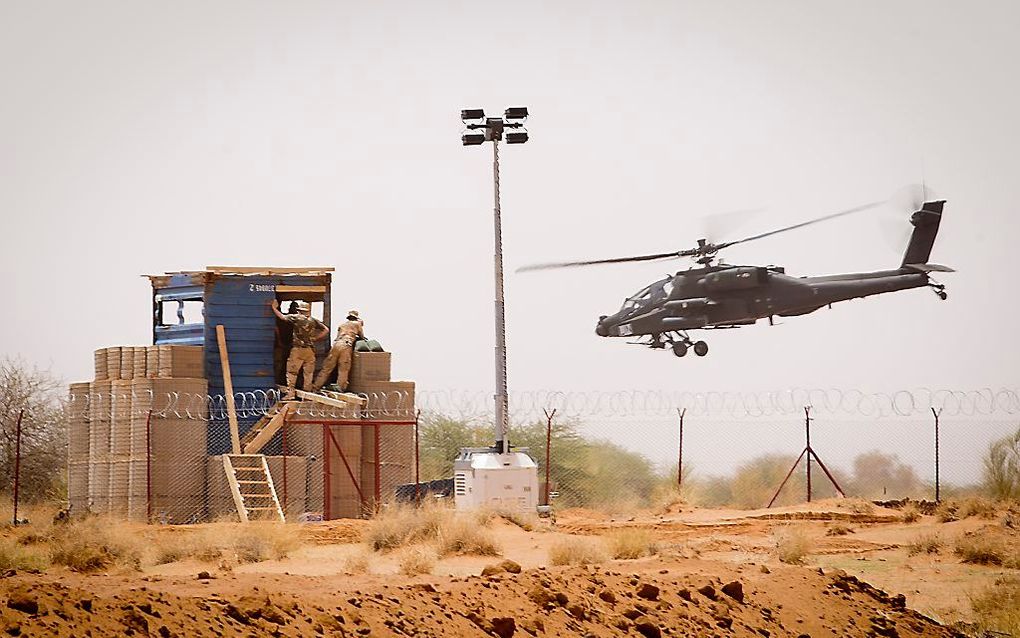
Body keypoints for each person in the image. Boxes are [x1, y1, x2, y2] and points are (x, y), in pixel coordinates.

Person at [269, 300, 329, 400]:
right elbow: (326, 329)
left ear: (299, 310)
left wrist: (274, 308)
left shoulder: (297, 318)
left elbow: (283, 317)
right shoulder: (313, 320)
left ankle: (290, 393)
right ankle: (307, 395)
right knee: (308, 373)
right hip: (310, 350)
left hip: (298, 349)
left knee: (292, 372)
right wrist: (315, 338)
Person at [313, 309, 365, 392]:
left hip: (336, 344)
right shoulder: (357, 324)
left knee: (327, 368)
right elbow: (362, 336)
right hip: (346, 345)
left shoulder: (342, 325)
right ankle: (340, 388)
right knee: (343, 369)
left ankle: (315, 387)